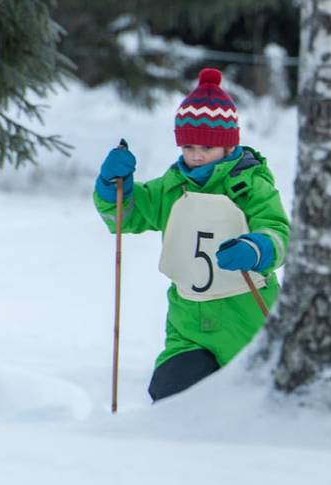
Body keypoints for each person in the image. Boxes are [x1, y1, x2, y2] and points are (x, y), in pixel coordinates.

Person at [93, 68, 289, 402]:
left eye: (206, 147)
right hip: (189, 325)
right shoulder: (172, 188)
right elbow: (127, 217)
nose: (196, 155)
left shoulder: (250, 186)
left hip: (246, 318)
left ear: (228, 146)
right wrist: (114, 188)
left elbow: (279, 231)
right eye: (188, 146)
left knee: (248, 401)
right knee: (169, 393)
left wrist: (258, 248)